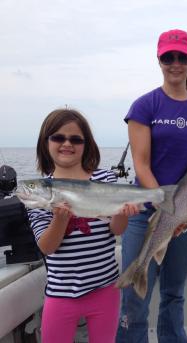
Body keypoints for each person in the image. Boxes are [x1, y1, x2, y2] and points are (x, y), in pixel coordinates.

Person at [116, 29, 187, 343]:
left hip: (186, 219)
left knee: (174, 294)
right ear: (159, 60)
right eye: (168, 57)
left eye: (182, 57)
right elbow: (142, 164)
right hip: (145, 212)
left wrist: (181, 215)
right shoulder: (145, 106)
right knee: (135, 296)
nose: (176, 63)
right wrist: (166, 207)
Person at [27, 108, 138, 343]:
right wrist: (60, 218)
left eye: (75, 139)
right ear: (45, 142)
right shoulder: (39, 193)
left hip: (106, 289)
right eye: (58, 137)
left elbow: (116, 230)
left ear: (86, 144)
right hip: (61, 294)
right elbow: (46, 247)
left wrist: (124, 213)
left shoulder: (106, 179)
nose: (67, 143)